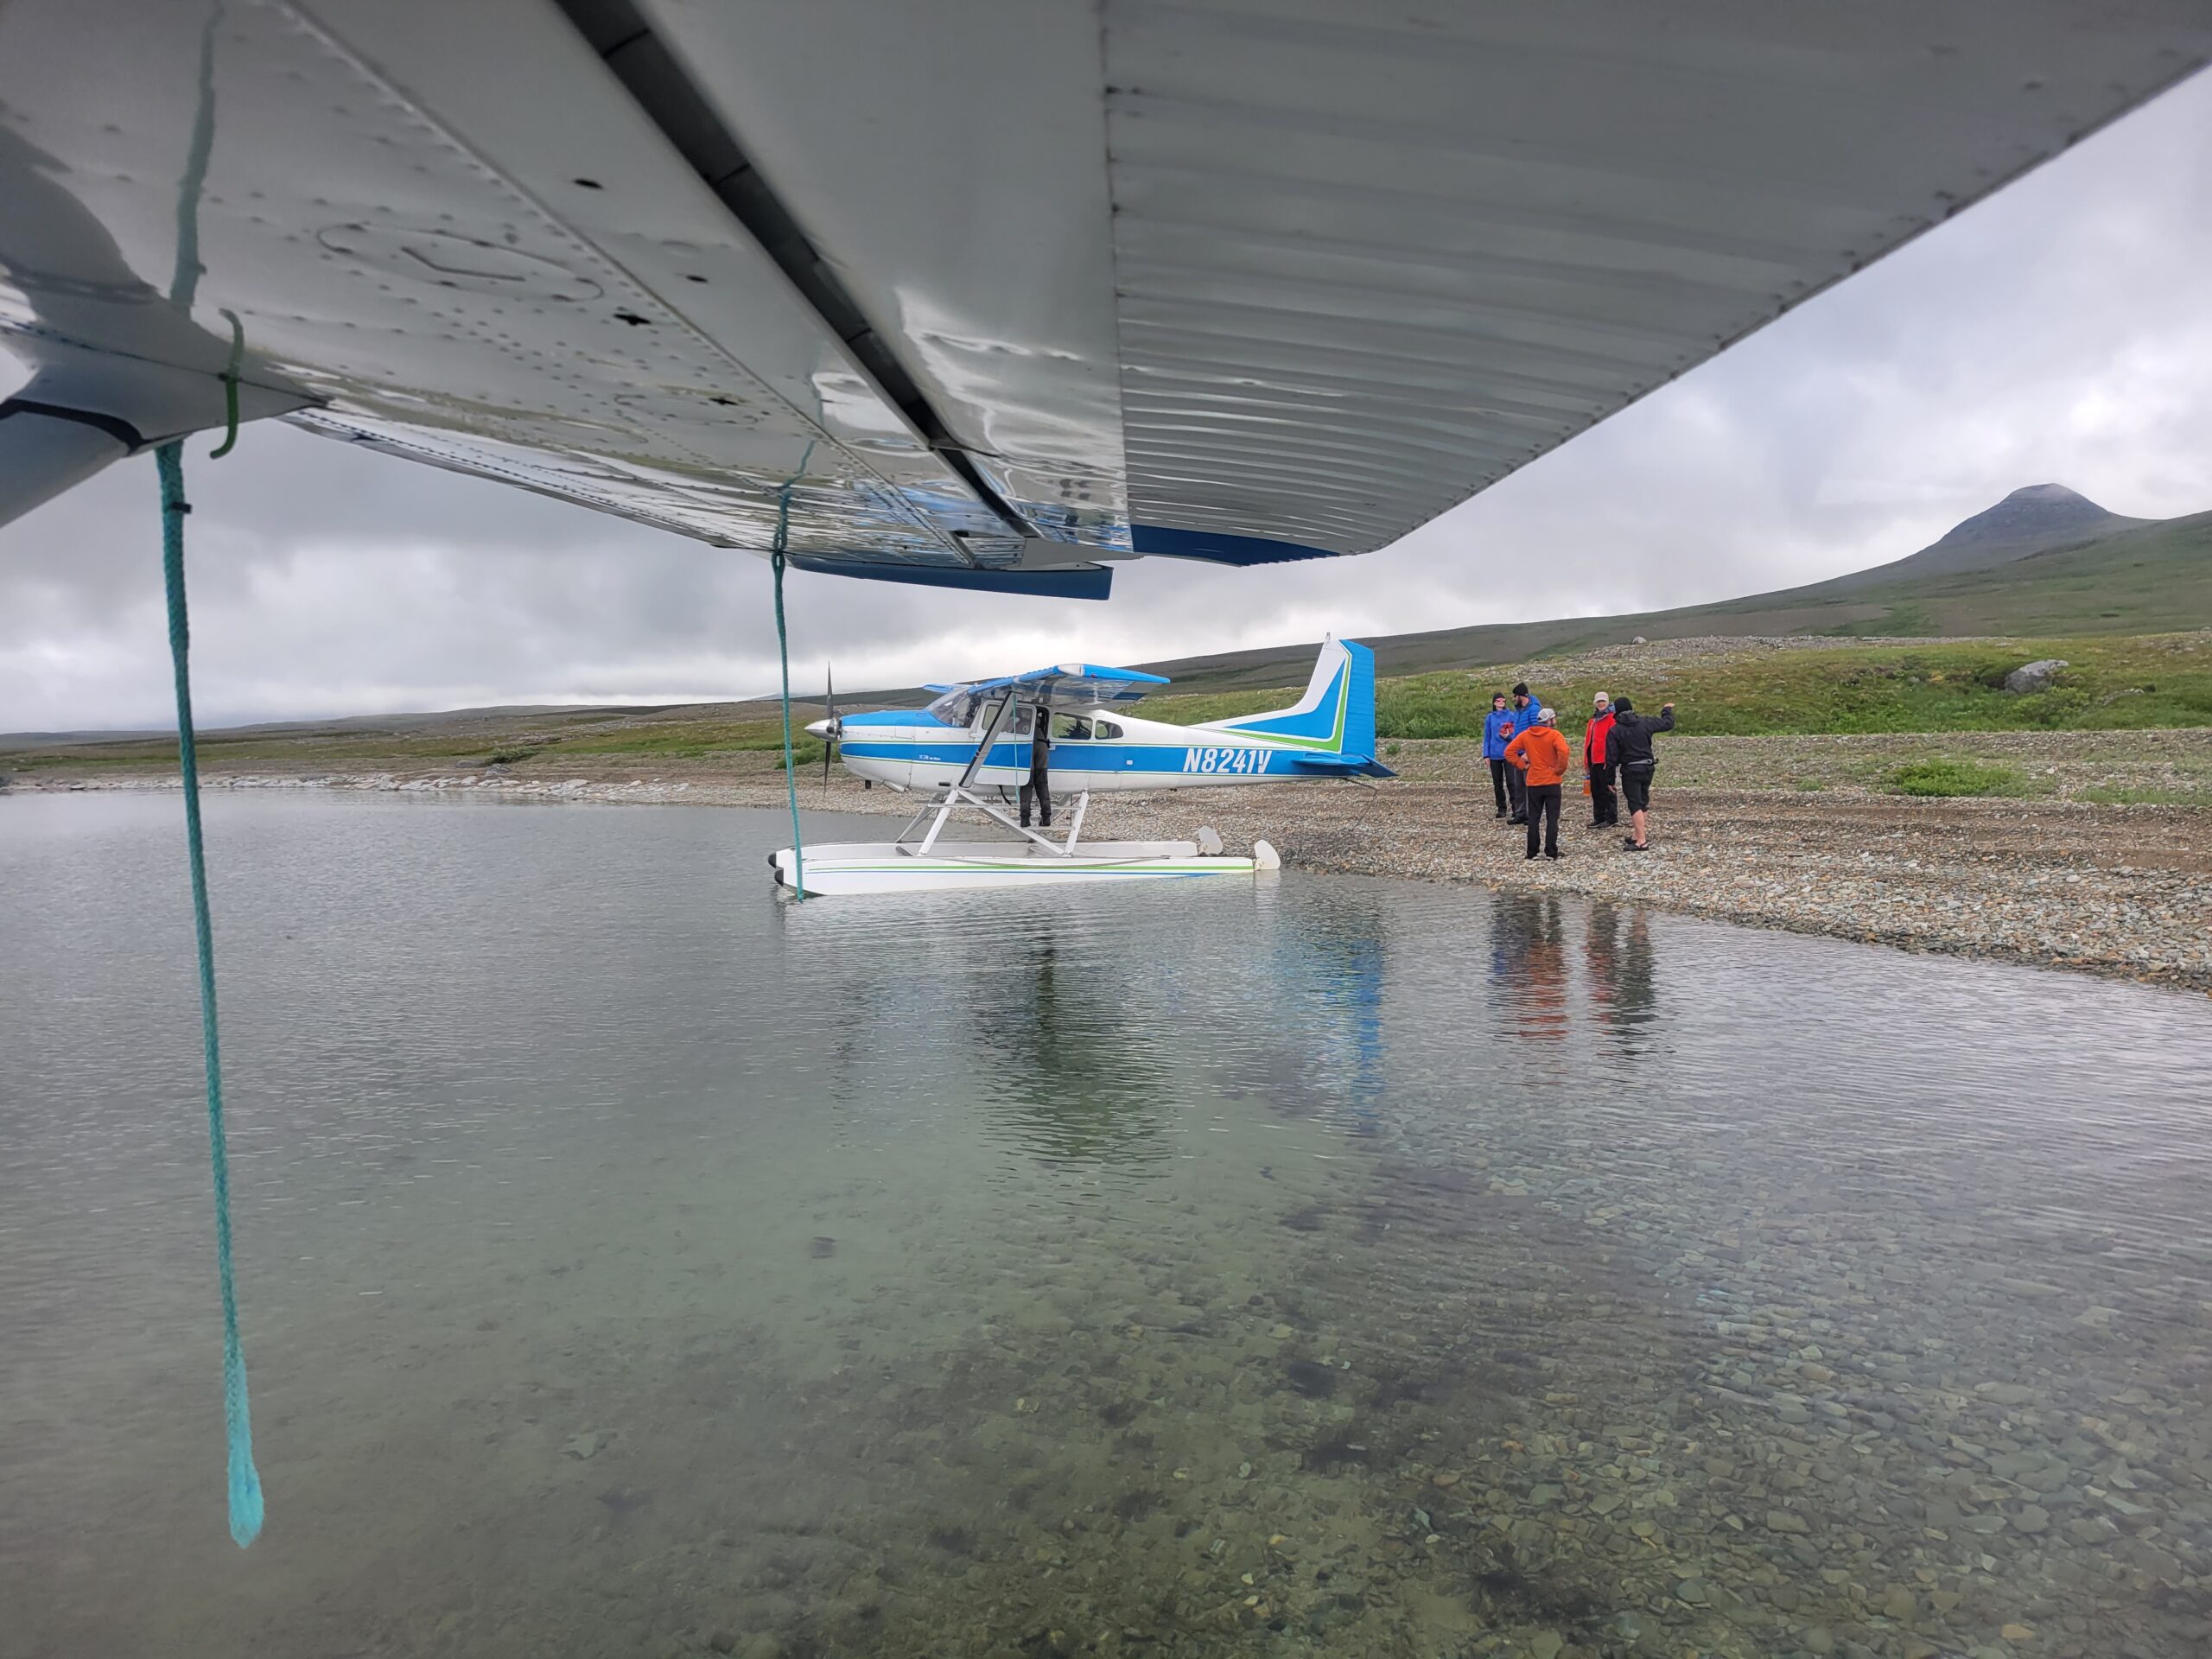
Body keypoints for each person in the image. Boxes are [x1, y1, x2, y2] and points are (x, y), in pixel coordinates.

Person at [1503, 706, 1573, 861]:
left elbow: (1509, 752)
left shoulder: (1526, 735)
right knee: (1552, 818)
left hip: (1534, 781)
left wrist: (1522, 766)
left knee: (1534, 818)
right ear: (1549, 720)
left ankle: (1532, 851)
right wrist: (1559, 770)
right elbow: (1564, 752)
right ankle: (1550, 850)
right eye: (1553, 718)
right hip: (1552, 781)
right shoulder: (1555, 735)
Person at [1606, 696, 1675, 851]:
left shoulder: (1615, 730)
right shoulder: (1645, 722)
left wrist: (1609, 780)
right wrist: (1667, 710)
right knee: (1643, 801)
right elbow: (1668, 724)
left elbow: (1611, 758)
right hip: (1648, 767)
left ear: (1616, 711)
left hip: (1631, 770)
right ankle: (1637, 835)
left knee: (1635, 803)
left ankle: (1641, 841)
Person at [1503, 682, 1541, 823]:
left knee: (1530, 785)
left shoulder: (1534, 710)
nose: (1513, 699)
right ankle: (1520, 813)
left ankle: (1532, 814)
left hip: (1529, 754)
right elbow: (1519, 733)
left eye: (1515, 696)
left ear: (1521, 696)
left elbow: (1537, 732)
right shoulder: (1518, 711)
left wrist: (1530, 752)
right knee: (1518, 784)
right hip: (1518, 754)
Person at [1584, 691, 1617, 830]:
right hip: (1593, 760)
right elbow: (1588, 742)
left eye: (1603, 701)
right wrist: (1586, 761)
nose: (1601, 704)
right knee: (1595, 790)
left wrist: (1611, 760)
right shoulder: (1592, 721)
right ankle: (1599, 817)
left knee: (1607, 789)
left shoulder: (1611, 719)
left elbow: (1613, 741)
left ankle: (1611, 818)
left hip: (1605, 760)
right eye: (1599, 702)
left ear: (1608, 702)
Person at [1480, 691, 1516, 818]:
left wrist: (1509, 737)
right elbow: (1487, 737)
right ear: (1494, 702)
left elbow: (1516, 734)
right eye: (1498, 700)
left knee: (1512, 781)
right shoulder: (1490, 717)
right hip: (1494, 754)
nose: (1501, 703)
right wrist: (1486, 755)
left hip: (1508, 753)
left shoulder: (1511, 715)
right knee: (1498, 783)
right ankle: (1501, 808)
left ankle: (1516, 807)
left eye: (1503, 700)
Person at [1019, 701, 1052, 828]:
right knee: (1042, 783)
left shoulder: (1019, 723)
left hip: (1028, 746)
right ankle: (1046, 816)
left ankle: (1025, 818)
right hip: (1042, 744)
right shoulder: (1038, 724)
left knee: (1027, 783)